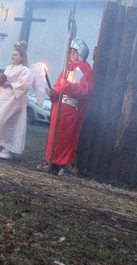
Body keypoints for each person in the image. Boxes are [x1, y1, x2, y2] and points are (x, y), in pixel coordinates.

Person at [37, 38, 95, 176]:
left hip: (70, 109)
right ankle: (50, 161)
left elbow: (85, 90)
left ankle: (63, 163)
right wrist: (54, 92)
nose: (71, 54)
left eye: (73, 52)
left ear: (80, 53)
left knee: (65, 137)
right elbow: (58, 86)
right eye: (70, 51)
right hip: (59, 107)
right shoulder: (67, 67)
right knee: (53, 135)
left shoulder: (86, 70)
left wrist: (67, 86)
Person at [0, 42, 35, 160]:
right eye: (12, 54)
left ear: (22, 57)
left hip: (14, 100)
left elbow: (25, 85)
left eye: (16, 55)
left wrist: (11, 84)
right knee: (0, 121)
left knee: (11, 123)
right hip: (3, 98)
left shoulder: (25, 70)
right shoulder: (9, 67)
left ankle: (8, 149)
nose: (13, 57)